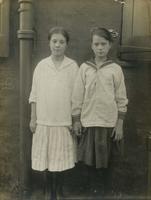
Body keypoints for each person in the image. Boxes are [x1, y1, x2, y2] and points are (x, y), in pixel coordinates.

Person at [72, 27, 128, 196]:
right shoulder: (84, 68)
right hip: (88, 122)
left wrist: (119, 124)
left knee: (105, 163)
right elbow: (77, 96)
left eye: (103, 44)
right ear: (91, 46)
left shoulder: (115, 69)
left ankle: (103, 193)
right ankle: (91, 194)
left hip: (107, 124)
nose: (100, 48)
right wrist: (76, 119)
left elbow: (121, 97)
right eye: (96, 44)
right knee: (88, 163)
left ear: (110, 45)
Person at [29, 26, 79, 200]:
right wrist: (33, 118)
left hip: (63, 121)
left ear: (66, 45)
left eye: (61, 42)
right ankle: (48, 191)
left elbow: (76, 96)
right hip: (44, 121)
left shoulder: (72, 66)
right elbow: (34, 94)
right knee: (46, 160)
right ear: (49, 43)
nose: (57, 45)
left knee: (60, 159)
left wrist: (74, 120)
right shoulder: (42, 66)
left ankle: (59, 191)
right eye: (54, 41)